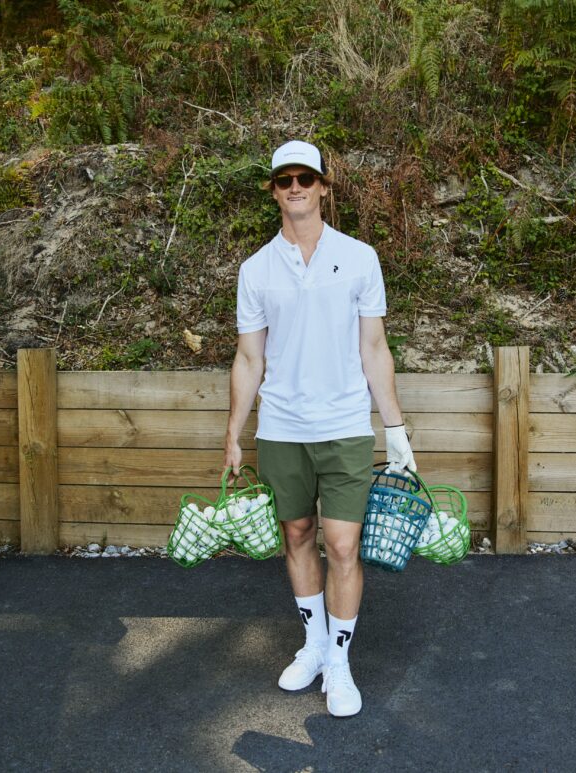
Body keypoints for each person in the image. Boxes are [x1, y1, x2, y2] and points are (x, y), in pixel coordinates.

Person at [223, 140, 416, 718]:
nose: (296, 187)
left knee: (343, 544)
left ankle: (340, 661)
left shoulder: (360, 257)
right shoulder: (256, 269)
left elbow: (374, 346)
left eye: (306, 177)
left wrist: (396, 429)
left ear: (325, 187)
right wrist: (235, 433)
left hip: (344, 426)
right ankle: (310, 645)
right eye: (285, 180)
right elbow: (248, 359)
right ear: (274, 191)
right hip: (282, 428)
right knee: (298, 535)